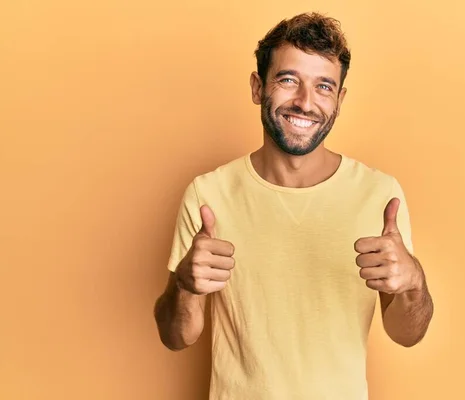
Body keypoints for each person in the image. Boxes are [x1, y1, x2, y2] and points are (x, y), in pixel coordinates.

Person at [154, 11, 434, 400]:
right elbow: (176, 337)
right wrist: (184, 285)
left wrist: (413, 281)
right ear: (257, 87)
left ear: (339, 99)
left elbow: (407, 334)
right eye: (289, 80)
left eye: (324, 86)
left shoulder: (379, 194)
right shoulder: (208, 195)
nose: (305, 102)